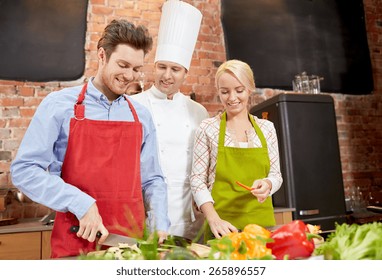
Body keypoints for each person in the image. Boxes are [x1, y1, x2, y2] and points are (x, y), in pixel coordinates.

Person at [10, 19, 170, 258]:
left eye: (136, 69)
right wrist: (80, 202)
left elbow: (152, 180)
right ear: (102, 56)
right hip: (75, 241)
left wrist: (159, 222)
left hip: (130, 247)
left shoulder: (141, 117)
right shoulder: (59, 106)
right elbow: (24, 171)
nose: (129, 76)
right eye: (123, 64)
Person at [131, 0, 209, 241]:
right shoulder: (134, 105)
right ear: (154, 66)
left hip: (189, 220)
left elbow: (204, 168)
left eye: (175, 69)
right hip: (146, 217)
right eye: (162, 67)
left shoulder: (198, 112)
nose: (167, 75)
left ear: (185, 72)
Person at [190, 59, 283, 240]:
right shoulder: (207, 128)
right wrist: (213, 219)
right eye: (225, 92)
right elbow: (197, 180)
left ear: (250, 88)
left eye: (239, 90)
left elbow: (276, 175)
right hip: (222, 226)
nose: (232, 98)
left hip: (261, 224)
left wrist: (268, 184)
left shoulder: (267, 128)